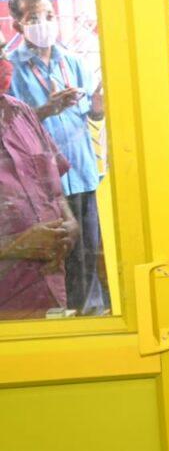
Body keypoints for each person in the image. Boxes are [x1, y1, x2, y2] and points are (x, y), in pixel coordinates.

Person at [8, 0, 107, 316]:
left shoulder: (73, 62)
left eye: (49, 16)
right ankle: (62, 320)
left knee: (87, 253)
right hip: (42, 184)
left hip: (82, 171)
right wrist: (46, 110)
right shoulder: (12, 69)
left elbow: (91, 115)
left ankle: (89, 318)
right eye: (33, 18)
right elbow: (11, 127)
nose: (44, 24)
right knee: (55, 256)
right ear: (17, 26)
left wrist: (97, 108)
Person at [0, 57, 79, 320]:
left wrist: (70, 222)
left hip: (49, 293)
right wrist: (14, 247)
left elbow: (52, 182)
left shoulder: (20, 112)